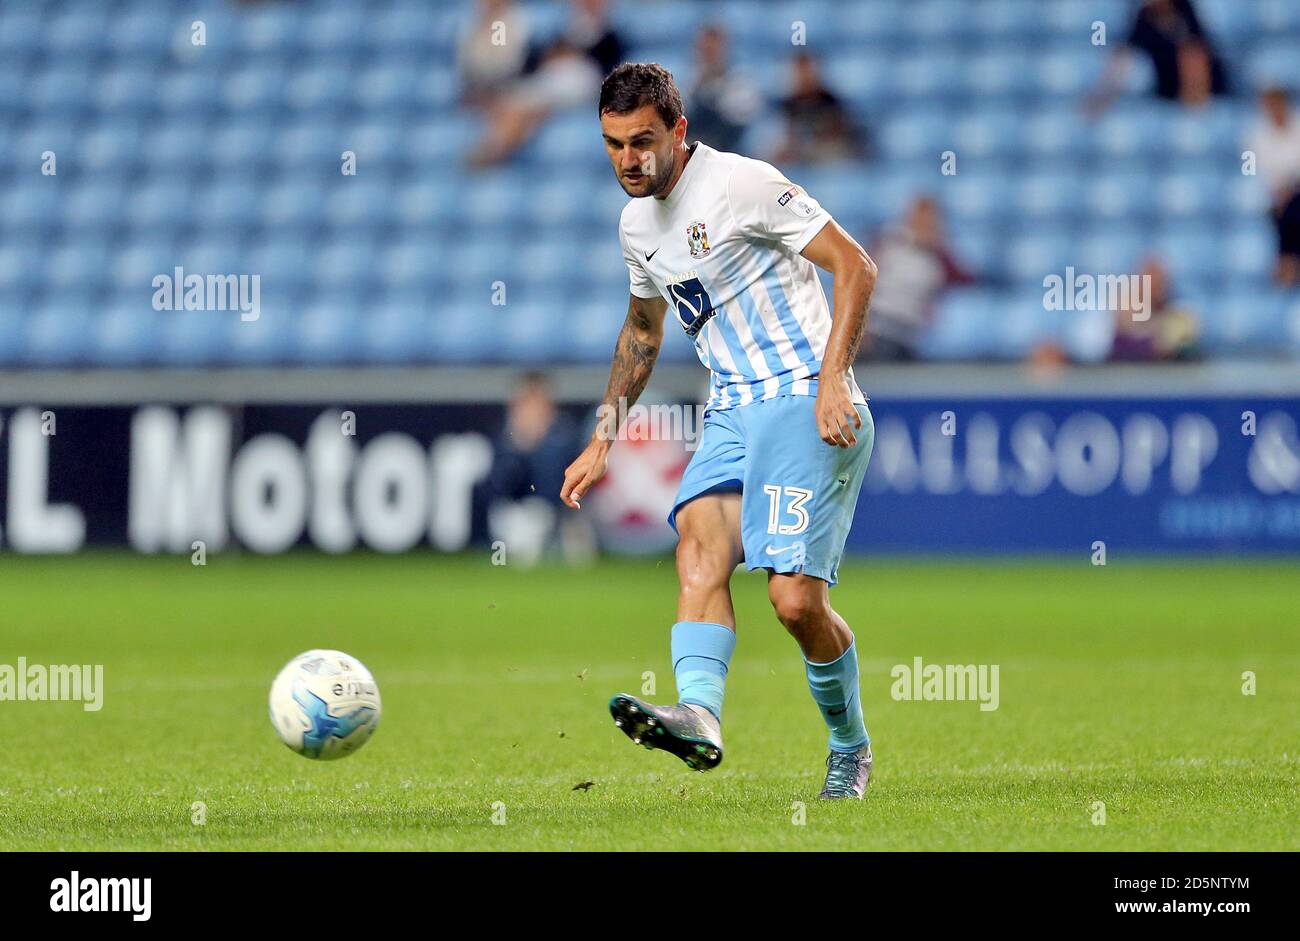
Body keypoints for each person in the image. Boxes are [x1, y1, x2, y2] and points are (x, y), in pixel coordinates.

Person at [560, 64, 880, 799]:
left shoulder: (742, 183)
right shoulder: (635, 225)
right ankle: (700, 713)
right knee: (698, 552)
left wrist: (835, 379)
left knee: (794, 603)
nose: (628, 160)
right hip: (732, 410)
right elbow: (643, 328)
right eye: (613, 145)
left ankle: (849, 744)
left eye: (642, 141)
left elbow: (854, 266)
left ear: (679, 130)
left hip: (805, 398)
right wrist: (605, 433)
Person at [467, 0, 625, 167]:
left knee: (526, 103)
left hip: (581, 82)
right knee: (525, 105)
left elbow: (609, 67)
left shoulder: (610, 34)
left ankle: (495, 150)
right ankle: (498, 145)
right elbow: (542, 59)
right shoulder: (567, 29)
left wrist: (572, 56)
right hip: (554, 79)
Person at [861, 195, 974, 362]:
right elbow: (860, 277)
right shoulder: (887, 243)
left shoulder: (940, 255)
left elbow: (966, 281)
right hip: (876, 324)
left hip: (909, 333)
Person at [1086, 0, 1228, 115]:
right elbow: (1123, 58)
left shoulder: (1184, 10)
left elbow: (1195, 55)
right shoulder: (1143, 18)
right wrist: (1102, 96)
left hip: (1204, 93)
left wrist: (1194, 106)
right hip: (1167, 93)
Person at [1246, 86, 1300, 286]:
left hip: (1295, 194)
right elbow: (1248, 172)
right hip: (1268, 198)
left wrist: (1289, 186)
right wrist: (1272, 192)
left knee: (1292, 209)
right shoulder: (1254, 135)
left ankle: (1286, 265)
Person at [772, 52, 867, 164]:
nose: (804, 77)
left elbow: (843, 136)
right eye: (799, 72)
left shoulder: (832, 103)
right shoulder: (783, 105)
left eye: (808, 71)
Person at [685, 25, 761, 154]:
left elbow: (734, 124)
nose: (708, 57)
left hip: (731, 153)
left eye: (713, 51)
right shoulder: (690, 83)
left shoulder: (740, 83)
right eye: (704, 50)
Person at [1108, 257, 1200, 361]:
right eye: (1150, 281)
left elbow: (1187, 351)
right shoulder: (1124, 310)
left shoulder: (1180, 315)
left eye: (1159, 281)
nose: (1155, 286)